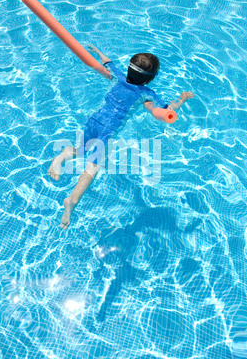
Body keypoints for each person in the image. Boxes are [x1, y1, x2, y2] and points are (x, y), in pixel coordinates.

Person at [48, 46, 194, 229]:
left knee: (80, 150)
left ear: (128, 69)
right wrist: (182, 99)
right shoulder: (146, 94)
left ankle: (61, 156)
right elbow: (167, 111)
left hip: (94, 119)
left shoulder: (118, 76)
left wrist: (98, 52)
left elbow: (107, 63)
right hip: (108, 130)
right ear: (151, 79)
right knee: (94, 164)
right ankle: (72, 200)